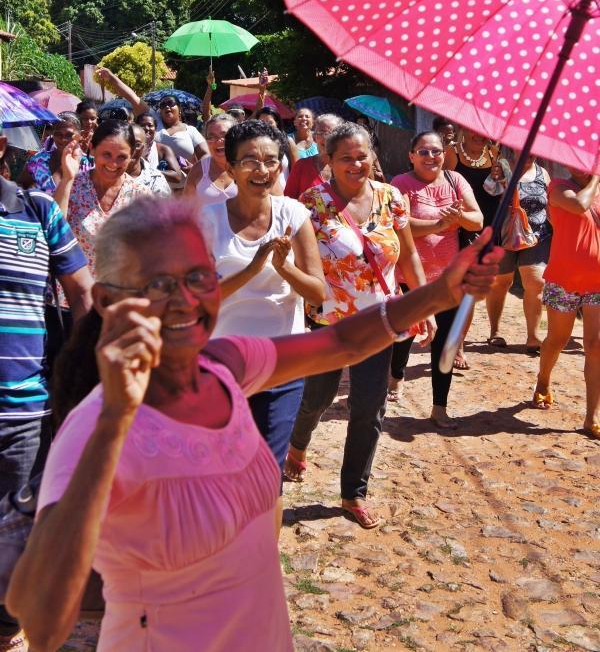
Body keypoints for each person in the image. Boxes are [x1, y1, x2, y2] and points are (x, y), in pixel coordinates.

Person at [6, 195, 502, 652]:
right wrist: (115, 419)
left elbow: (340, 345)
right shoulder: (96, 427)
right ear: (112, 301)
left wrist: (439, 293)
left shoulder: (224, 367)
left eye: (200, 276)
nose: (186, 300)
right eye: (158, 283)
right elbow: (44, 622)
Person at [285, 122, 431, 529]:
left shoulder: (391, 198)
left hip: (378, 321)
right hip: (329, 322)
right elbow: (299, 264)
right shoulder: (310, 204)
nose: (355, 163)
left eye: (362, 154)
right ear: (328, 161)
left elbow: (408, 258)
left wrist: (423, 306)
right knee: (318, 395)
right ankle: (298, 444)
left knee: (370, 406)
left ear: (373, 155)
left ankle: (353, 493)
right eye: (345, 157)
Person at [203, 121, 325, 520]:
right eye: (251, 161)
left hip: (282, 364)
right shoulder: (208, 221)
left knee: (267, 475)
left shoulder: (294, 214)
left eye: (271, 161)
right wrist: (256, 267)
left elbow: (317, 293)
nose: (262, 170)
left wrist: (283, 268)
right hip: (223, 366)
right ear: (232, 166)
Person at [0, 132, 92, 651]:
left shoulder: (37, 211)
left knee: (15, 520)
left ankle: (4, 622)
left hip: (23, 404)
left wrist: (80, 377)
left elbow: (81, 292)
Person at [389, 131, 483, 424]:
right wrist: (440, 223)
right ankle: (396, 374)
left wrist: (458, 219)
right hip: (409, 276)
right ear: (411, 155)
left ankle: (439, 407)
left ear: (445, 153)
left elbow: (477, 219)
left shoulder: (456, 180)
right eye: (424, 151)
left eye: (436, 151)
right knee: (405, 334)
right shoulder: (399, 185)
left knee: (444, 342)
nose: (431, 157)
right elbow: (401, 226)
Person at [532, 171, 599, 439]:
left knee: (595, 345)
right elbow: (579, 205)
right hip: (563, 280)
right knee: (557, 340)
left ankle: (591, 416)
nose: (583, 168)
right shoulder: (558, 188)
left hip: (597, 281)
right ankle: (543, 379)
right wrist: (595, 179)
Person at [53, 120, 153, 284]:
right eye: (106, 154)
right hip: (69, 299)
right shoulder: (72, 186)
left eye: (122, 157)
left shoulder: (141, 197)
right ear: (92, 149)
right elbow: (53, 230)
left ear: (132, 155)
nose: (113, 164)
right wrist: (67, 178)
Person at [444, 128, 501, 369]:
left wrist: (502, 177)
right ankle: (451, 339)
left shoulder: (493, 153)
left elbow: (501, 192)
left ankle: (458, 341)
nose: (480, 136)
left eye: (484, 132)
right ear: (463, 131)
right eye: (474, 131)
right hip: (456, 228)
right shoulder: (452, 153)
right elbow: (442, 184)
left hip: (486, 229)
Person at [486, 155, 552, 353]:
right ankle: (495, 331)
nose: (529, 152)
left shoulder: (543, 173)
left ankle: (533, 336)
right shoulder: (503, 167)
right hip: (505, 234)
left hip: (537, 235)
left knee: (536, 282)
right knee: (501, 282)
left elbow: (550, 204)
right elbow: (488, 191)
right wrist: (496, 178)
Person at [18, 114, 93, 193]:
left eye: (69, 135)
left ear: (79, 135)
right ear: (52, 134)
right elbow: (21, 186)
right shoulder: (39, 160)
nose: (63, 139)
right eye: (58, 134)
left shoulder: (89, 165)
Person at [184, 115, 238, 206]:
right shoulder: (199, 170)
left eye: (225, 135)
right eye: (211, 137)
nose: (218, 141)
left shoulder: (249, 167)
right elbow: (186, 209)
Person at [284, 113, 340, 199]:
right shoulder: (301, 166)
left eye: (333, 133)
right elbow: (289, 200)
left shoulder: (348, 166)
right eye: (322, 132)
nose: (327, 138)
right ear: (314, 137)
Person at [155, 95, 208, 167]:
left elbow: (206, 154)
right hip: (156, 176)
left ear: (179, 109)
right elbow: (137, 101)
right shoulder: (156, 123)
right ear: (160, 112)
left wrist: (195, 169)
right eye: (162, 105)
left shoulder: (191, 131)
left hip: (186, 177)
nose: (167, 106)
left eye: (170, 103)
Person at [136, 112, 184, 188]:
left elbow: (177, 176)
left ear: (155, 129)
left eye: (150, 125)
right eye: (142, 125)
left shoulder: (162, 149)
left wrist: (150, 171)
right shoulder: (129, 148)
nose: (146, 128)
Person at [127, 125, 171, 197]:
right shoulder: (109, 173)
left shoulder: (155, 180)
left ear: (144, 147)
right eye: (127, 143)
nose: (131, 149)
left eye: (137, 145)